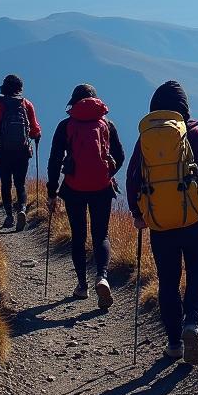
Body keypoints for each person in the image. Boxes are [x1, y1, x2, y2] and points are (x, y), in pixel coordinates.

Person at [127, 80, 198, 366]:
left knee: (168, 281)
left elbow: (133, 179)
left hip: (160, 223)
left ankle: (174, 344)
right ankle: (192, 323)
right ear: (184, 109)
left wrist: (138, 215)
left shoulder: (146, 140)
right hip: (197, 220)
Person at [46, 84, 125, 309]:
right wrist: (109, 173)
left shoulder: (66, 125)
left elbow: (54, 160)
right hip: (102, 188)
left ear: (73, 102)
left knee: (78, 235)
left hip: (74, 189)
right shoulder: (107, 124)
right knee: (101, 235)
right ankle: (102, 277)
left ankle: (82, 286)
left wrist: (52, 192)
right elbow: (120, 155)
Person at [0, 73, 42, 232]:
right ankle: (22, 208)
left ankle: (9, 216)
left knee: (6, 183)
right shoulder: (26, 104)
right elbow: (35, 130)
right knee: (20, 183)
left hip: (3, 151)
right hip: (22, 152)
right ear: (19, 88)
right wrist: (36, 136)